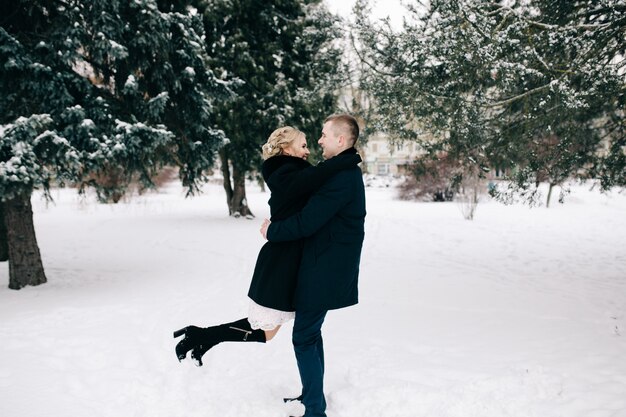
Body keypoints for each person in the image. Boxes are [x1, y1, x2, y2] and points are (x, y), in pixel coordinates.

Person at [173, 126, 361, 367]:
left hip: (294, 257)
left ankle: (203, 336)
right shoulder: (281, 171)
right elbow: (312, 182)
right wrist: (349, 158)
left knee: (271, 330)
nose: (308, 150)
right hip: (282, 259)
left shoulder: (297, 171)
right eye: (303, 145)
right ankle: (202, 335)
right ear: (286, 148)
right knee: (267, 331)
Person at [260, 114, 366, 417]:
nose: (319, 141)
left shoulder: (343, 177)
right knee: (310, 333)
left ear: (341, 140)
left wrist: (272, 231)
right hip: (322, 265)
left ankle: (315, 410)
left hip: (326, 269)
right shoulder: (339, 171)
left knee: (304, 336)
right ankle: (311, 397)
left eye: (323, 135)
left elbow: (308, 221)